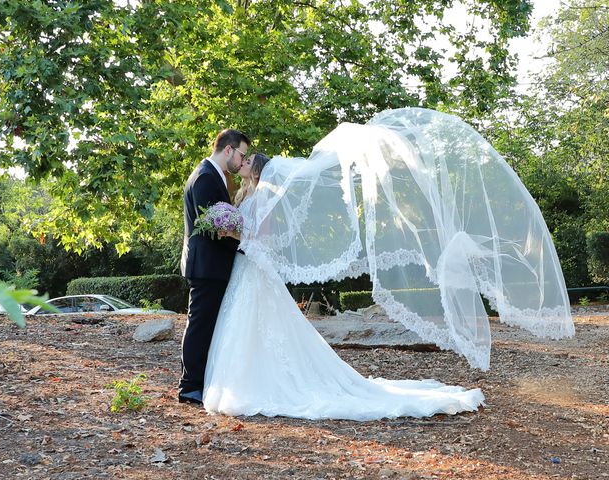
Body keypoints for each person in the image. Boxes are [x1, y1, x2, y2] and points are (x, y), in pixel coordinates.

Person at [201, 108, 573, 420]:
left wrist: (235, 232)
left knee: (261, 327)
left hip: (252, 267)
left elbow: (259, 236)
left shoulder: (266, 192)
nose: (244, 162)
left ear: (259, 169)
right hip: (247, 270)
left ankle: (261, 384)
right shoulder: (246, 192)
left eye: (248, 160)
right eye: (244, 157)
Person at [178, 128, 250, 404]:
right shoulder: (206, 177)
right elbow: (213, 227)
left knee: (206, 324)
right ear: (229, 150)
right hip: (207, 265)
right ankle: (189, 386)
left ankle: (199, 381)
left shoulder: (213, 175)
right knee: (199, 325)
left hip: (211, 264)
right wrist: (243, 245)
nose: (242, 161)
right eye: (241, 154)